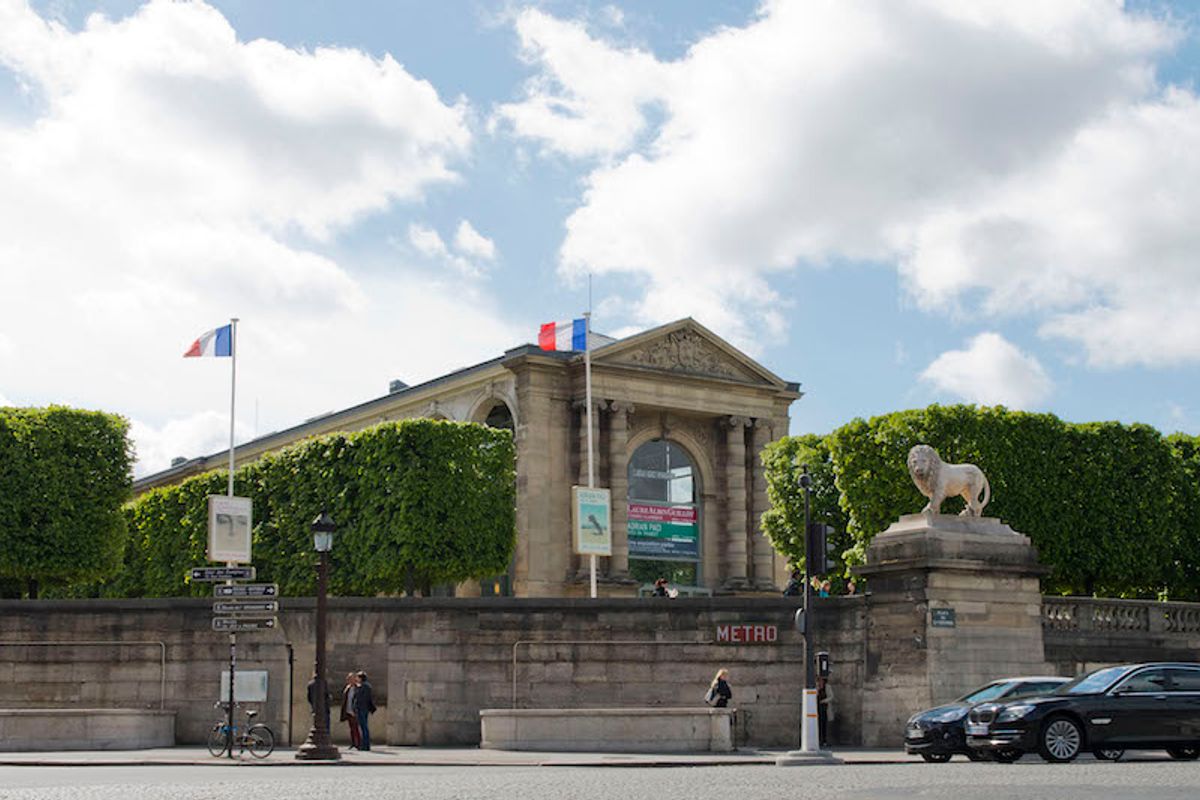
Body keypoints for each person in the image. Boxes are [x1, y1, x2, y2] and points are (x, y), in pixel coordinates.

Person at [353, 670, 377, 751]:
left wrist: (356, 706)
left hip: (361, 708)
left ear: (360, 678)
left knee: (364, 727)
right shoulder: (365, 686)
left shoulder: (364, 687)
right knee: (363, 726)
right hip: (364, 708)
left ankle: (365, 744)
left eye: (357, 677)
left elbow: (360, 698)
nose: (356, 679)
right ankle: (365, 744)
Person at [340, 672, 361, 750]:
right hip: (348, 710)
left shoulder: (358, 688)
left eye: (351, 678)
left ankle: (358, 743)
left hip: (354, 711)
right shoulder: (347, 688)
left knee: (356, 728)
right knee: (352, 728)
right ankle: (353, 743)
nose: (349, 680)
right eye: (348, 679)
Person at [817, 675, 835, 748]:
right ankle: (818, 740)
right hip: (816, 708)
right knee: (817, 725)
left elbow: (831, 696)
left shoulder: (827, 687)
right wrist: (817, 689)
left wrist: (824, 701)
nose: (820, 682)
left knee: (824, 725)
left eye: (821, 680)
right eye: (819, 680)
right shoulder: (816, 687)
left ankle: (824, 741)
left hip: (824, 708)